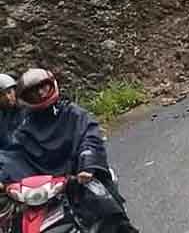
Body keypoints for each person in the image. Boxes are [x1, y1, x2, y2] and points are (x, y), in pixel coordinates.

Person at [0, 69, 137, 232]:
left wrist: (87, 164)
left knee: (107, 209)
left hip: (78, 179)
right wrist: (2, 176)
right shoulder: (25, 126)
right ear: (25, 97)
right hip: (46, 188)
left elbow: (90, 137)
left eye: (44, 87)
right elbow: (14, 154)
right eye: (33, 92)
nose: (41, 94)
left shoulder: (73, 114)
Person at [0, 74, 21, 148]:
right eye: (2, 95)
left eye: (9, 92)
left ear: (15, 91)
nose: (8, 98)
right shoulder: (2, 113)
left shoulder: (27, 111)